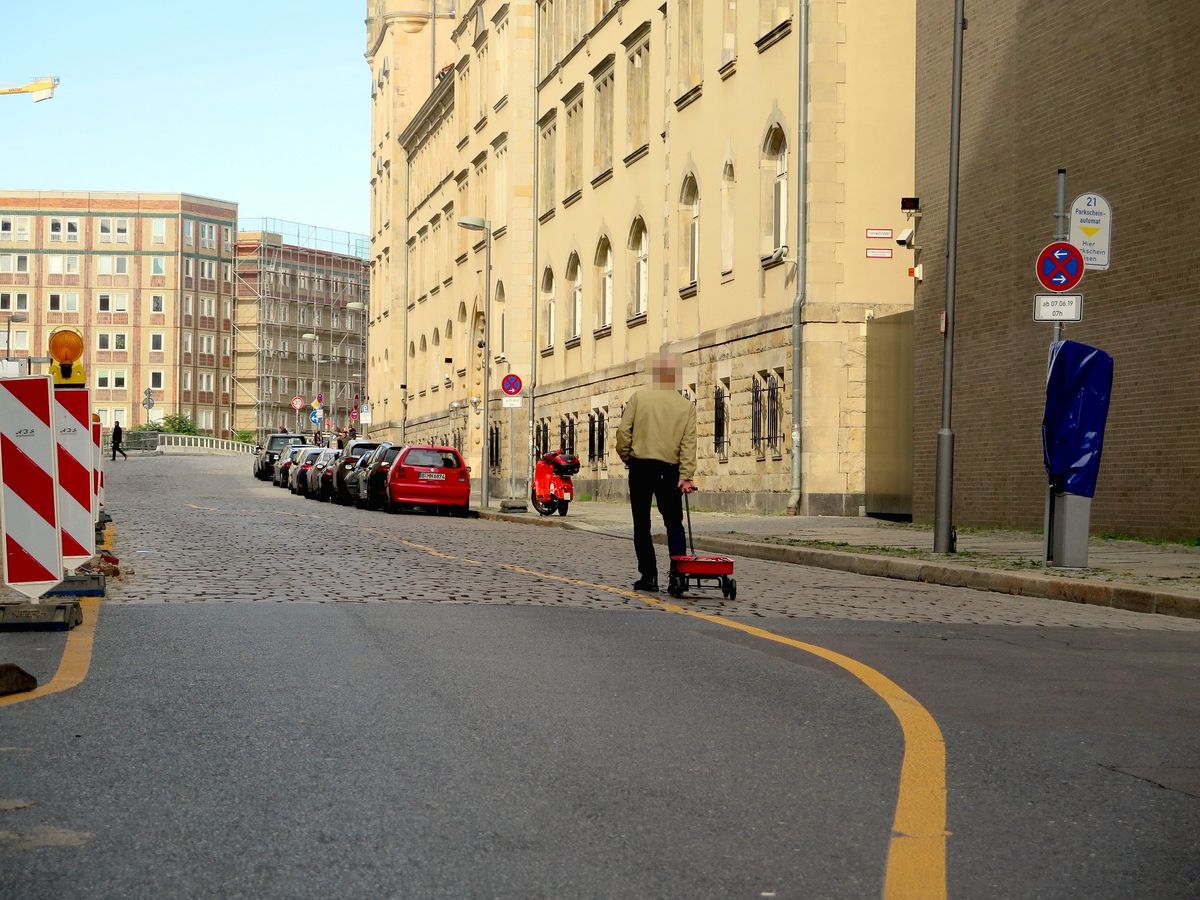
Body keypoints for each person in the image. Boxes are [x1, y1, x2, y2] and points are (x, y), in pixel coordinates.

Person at [615, 348, 697, 592]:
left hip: (640, 467)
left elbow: (623, 432)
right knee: (674, 523)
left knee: (642, 524)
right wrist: (686, 475)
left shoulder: (639, 398)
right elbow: (688, 444)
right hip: (670, 471)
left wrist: (626, 456)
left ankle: (649, 576)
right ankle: (679, 577)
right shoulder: (685, 407)